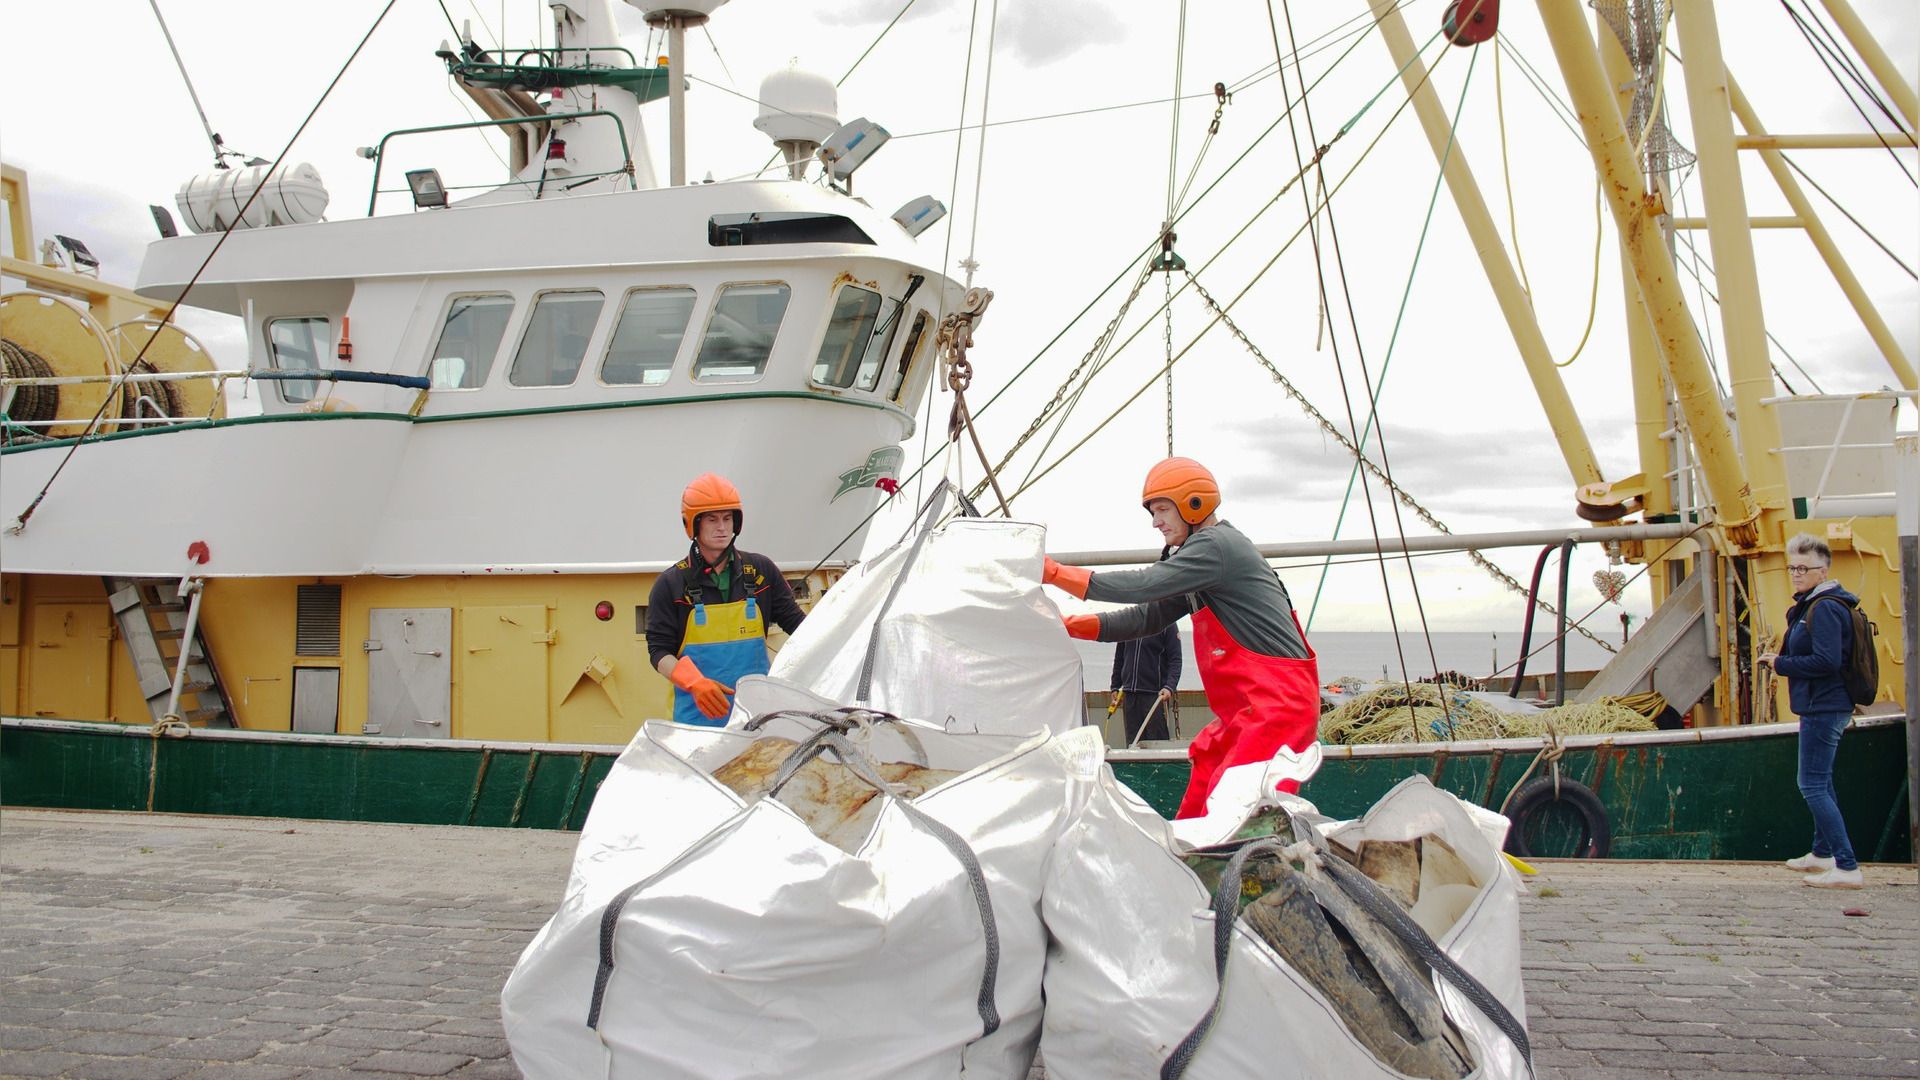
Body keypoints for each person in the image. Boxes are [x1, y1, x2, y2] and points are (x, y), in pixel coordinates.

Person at [1045, 457, 1318, 818]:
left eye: (1162, 510)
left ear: (1193, 505)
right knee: (1201, 796)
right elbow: (1146, 616)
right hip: (1246, 711)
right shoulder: (1199, 561)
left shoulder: (1216, 547)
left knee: (1243, 816)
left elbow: (1144, 584)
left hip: (1276, 707)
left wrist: (1052, 572)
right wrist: (1065, 625)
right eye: (1153, 513)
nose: (1156, 522)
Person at [647, 474, 806, 726]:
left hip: (757, 720)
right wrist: (695, 683)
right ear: (692, 524)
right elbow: (658, 651)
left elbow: (800, 628)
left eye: (727, 518)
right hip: (695, 723)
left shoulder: (761, 570)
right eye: (711, 519)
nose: (722, 527)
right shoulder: (670, 584)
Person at [1757, 533, 1864, 890]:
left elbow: (1827, 660)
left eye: (1804, 568)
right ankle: (1822, 854)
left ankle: (1847, 867)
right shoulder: (1814, 605)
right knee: (1823, 780)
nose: (1797, 574)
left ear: (1824, 570)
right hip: (1822, 703)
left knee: (1812, 784)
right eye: (1792, 567)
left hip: (1825, 704)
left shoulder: (1827, 607)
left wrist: (1781, 663)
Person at [1111, 623, 1183, 744]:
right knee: (1133, 743)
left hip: (1155, 696)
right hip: (1130, 695)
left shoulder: (1167, 622)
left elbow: (1175, 659)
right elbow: (1119, 656)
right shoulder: (1130, 621)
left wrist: (1170, 687)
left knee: (1157, 743)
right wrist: (1115, 686)